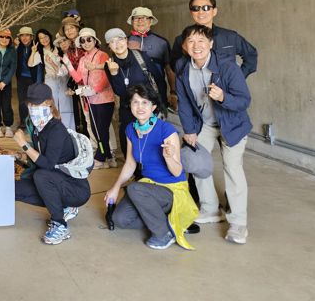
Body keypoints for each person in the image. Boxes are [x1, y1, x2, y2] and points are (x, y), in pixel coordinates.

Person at [175, 24, 252, 244]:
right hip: (206, 125)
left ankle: (238, 224)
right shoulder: (183, 69)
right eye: (191, 41)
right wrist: (189, 130)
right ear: (184, 46)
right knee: (198, 163)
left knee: (232, 169)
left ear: (211, 44)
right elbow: (184, 105)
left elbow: (244, 100)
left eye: (201, 41)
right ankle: (210, 208)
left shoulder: (228, 68)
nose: (196, 46)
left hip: (233, 125)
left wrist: (223, 98)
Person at [104, 85, 198, 250]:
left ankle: (164, 234)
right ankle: (168, 220)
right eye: (135, 102)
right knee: (120, 219)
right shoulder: (130, 130)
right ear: (130, 106)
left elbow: (177, 172)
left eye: (145, 102)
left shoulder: (166, 130)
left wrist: (169, 157)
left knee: (134, 188)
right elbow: (131, 163)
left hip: (171, 189)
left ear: (153, 107)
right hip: (147, 188)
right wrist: (115, 187)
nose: (140, 107)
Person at [14, 83, 91, 245]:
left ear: (49, 103)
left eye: (39, 104)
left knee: (41, 175)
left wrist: (24, 145)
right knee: (15, 188)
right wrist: (21, 156)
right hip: (54, 182)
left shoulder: (56, 129)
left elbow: (47, 164)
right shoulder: (37, 129)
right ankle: (63, 208)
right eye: (31, 104)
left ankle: (60, 225)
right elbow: (39, 158)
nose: (34, 108)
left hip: (75, 189)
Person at [104, 27, 164, 160]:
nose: (117, 44)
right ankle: (135, 173)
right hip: (128, 109)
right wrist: (114, 74)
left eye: (120, 39)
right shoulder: (109, 65)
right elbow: (120, 92)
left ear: (126, 40)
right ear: (109, 46)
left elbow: (158, 79)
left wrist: (162, 105)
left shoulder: (140, 56)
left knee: (151, 141)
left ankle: (151, 172)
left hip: (149, 108)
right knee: (128, 140)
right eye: (112, 42)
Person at [170, 0, 258, 79]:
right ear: (191, 13)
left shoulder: (230, 36)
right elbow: (175, 66)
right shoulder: (181, 40)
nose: (201, 12)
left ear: (214, 11)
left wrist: (237, 79)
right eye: (195, 8)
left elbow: (251, 55)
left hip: (227, 91)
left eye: (206, 8)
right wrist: (186, 55)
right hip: (195, 91)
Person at [66, 28, 116, 169]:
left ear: (95, 40)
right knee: (96, 129)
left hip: (104, 99)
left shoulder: (102, 55)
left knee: (101, 129)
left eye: (89, 39)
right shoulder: (83, 59)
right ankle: (109, 158)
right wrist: (69, 65)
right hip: (90, 100)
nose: (86, 43)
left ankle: (101, 157)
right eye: (83, 40)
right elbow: (78, 77)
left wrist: (94, 89)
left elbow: (107, 77)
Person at [126, 7, 174, 108]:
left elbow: (169, 70)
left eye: (144, 18)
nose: (140, 21)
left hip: (157, 92)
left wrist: (173, 92)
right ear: (132, 21)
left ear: (150, 21)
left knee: (158, 121)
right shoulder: (123, 43)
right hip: (132, 94)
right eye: (136, 18)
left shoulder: (162, 42)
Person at [28, 28, 73, 130]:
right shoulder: (40, 52)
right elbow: (30, 64)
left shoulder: (58, 48)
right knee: (52, 104)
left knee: (66, 105)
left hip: (63, 79)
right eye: (41, 38)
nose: (44, 40)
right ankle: (55, 129)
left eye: (45, 36)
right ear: (38, 41)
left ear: (50, 36)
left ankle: (69, 129)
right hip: (50, 80)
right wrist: (33, 51)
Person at [60, 16, 88, 137]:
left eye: (72, 28)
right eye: (66, 29)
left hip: (88, 81)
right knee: (78, 112)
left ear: (77, 29)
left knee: (88, 113)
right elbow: (68, 67)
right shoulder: (69, 47)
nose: (69, 31)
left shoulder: (85, 42)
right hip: (76, 81)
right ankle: (82, 139)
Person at [14, 26, 41, 125]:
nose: (24, 38)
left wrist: (38, 81)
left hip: (33, 78)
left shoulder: (36, 47)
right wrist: (16, 47)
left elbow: (39, 66)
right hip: (21, 78)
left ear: (31, 37)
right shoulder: (18, 47)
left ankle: (35, 122)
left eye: (27, 35)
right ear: (19, 37)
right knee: (22, 101)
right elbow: (13, 60)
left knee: (33, 101)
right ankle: (23, 122)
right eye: (22, 36)